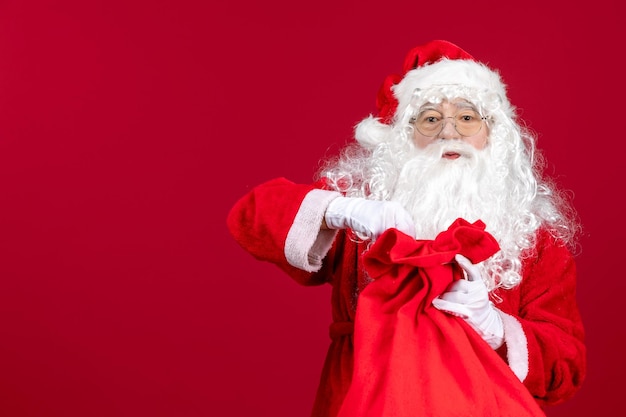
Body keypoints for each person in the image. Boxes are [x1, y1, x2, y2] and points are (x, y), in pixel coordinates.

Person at [227, 40, 585, 417]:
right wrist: (340, 209)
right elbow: (250, 218)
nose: (450, 132)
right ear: (403, 135)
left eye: (467, 117)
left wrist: (495, 327)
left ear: (493, 133)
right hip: (364, 398)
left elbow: (567, 365)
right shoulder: (365, 203)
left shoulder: (534, 235)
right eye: (430, 118)